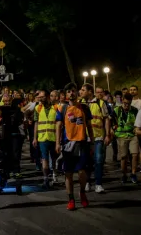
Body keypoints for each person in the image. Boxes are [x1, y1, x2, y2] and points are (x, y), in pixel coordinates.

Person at [55, 83, 92, 211]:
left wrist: (91, 140)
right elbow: (59, 126)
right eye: (69, 92)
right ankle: (71, 199)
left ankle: (82, 192)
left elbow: (89, 125)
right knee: (68, 173)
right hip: (67, 144)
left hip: (82, 143)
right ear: (65, 95)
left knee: (82, 172)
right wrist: (57, 143)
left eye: (73, 91)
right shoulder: (62, 109)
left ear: (77, 93)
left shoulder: (84, 108)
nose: (71, 93)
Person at [81, 84, 111, 193]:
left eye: (83, 90)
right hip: (84, 138)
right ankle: (87, 182)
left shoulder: (100, 103)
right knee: (86, 161)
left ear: (90, 91)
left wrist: (107, 135)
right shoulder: (81, 104)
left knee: (98, 160)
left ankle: (98, 184)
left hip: (98, 136)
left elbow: (106, 119)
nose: (81, 92)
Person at [33, 90, 58, 188]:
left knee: (54, 158)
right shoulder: (37, 108)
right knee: (44, 159)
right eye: (39, 97)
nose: (41, 99)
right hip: (42, 138)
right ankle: (46, 179)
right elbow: (36, 123)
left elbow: (59, 124)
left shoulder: (56, 107)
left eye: (42, 97)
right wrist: (35, 138)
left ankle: (54, 175)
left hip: (53, 137)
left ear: (47, 97)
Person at [114, 93, 140, 184]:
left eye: (128, 104)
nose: (127, 105)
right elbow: (111, 121)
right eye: (125, 103)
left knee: (135, 154)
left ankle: (133, 173)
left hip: (133, 135)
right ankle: (124, 174)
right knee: (123, 156)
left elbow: (138, 122)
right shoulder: (117, 110)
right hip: (121, 135)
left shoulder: (135, 110)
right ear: (122, 101)